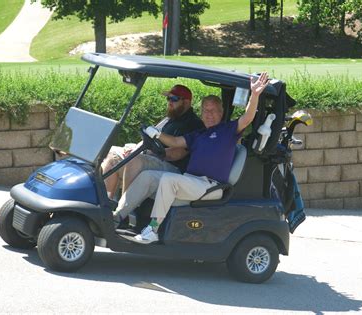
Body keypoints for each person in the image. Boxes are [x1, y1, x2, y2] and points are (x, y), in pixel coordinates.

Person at [113, 72, 270, 244]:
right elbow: (174, 141)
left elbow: (247, 118)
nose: (208, 115)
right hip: (191, 182)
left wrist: (254, 95)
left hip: (210, 185)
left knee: (168, 180)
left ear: (221, 112)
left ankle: (153, 229)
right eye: (205, 111)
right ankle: (118, 216)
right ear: (201, 113)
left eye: (212, 111)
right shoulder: (199, 134)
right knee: (148, 176)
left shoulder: (228, 131)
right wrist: (156, 133)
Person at [101, 84, 204, 199]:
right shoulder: (169, 119)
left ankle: (124, 211)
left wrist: (149, 152)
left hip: (173, 167)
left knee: (133, 160)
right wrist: (135, 149)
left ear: (186, 103)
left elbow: (177, 153)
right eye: (168, 98)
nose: (169, 102)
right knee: (112, 156)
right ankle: (108, 203)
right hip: (154, 158)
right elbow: (150, 137)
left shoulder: (194, 124)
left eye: (174, 99)